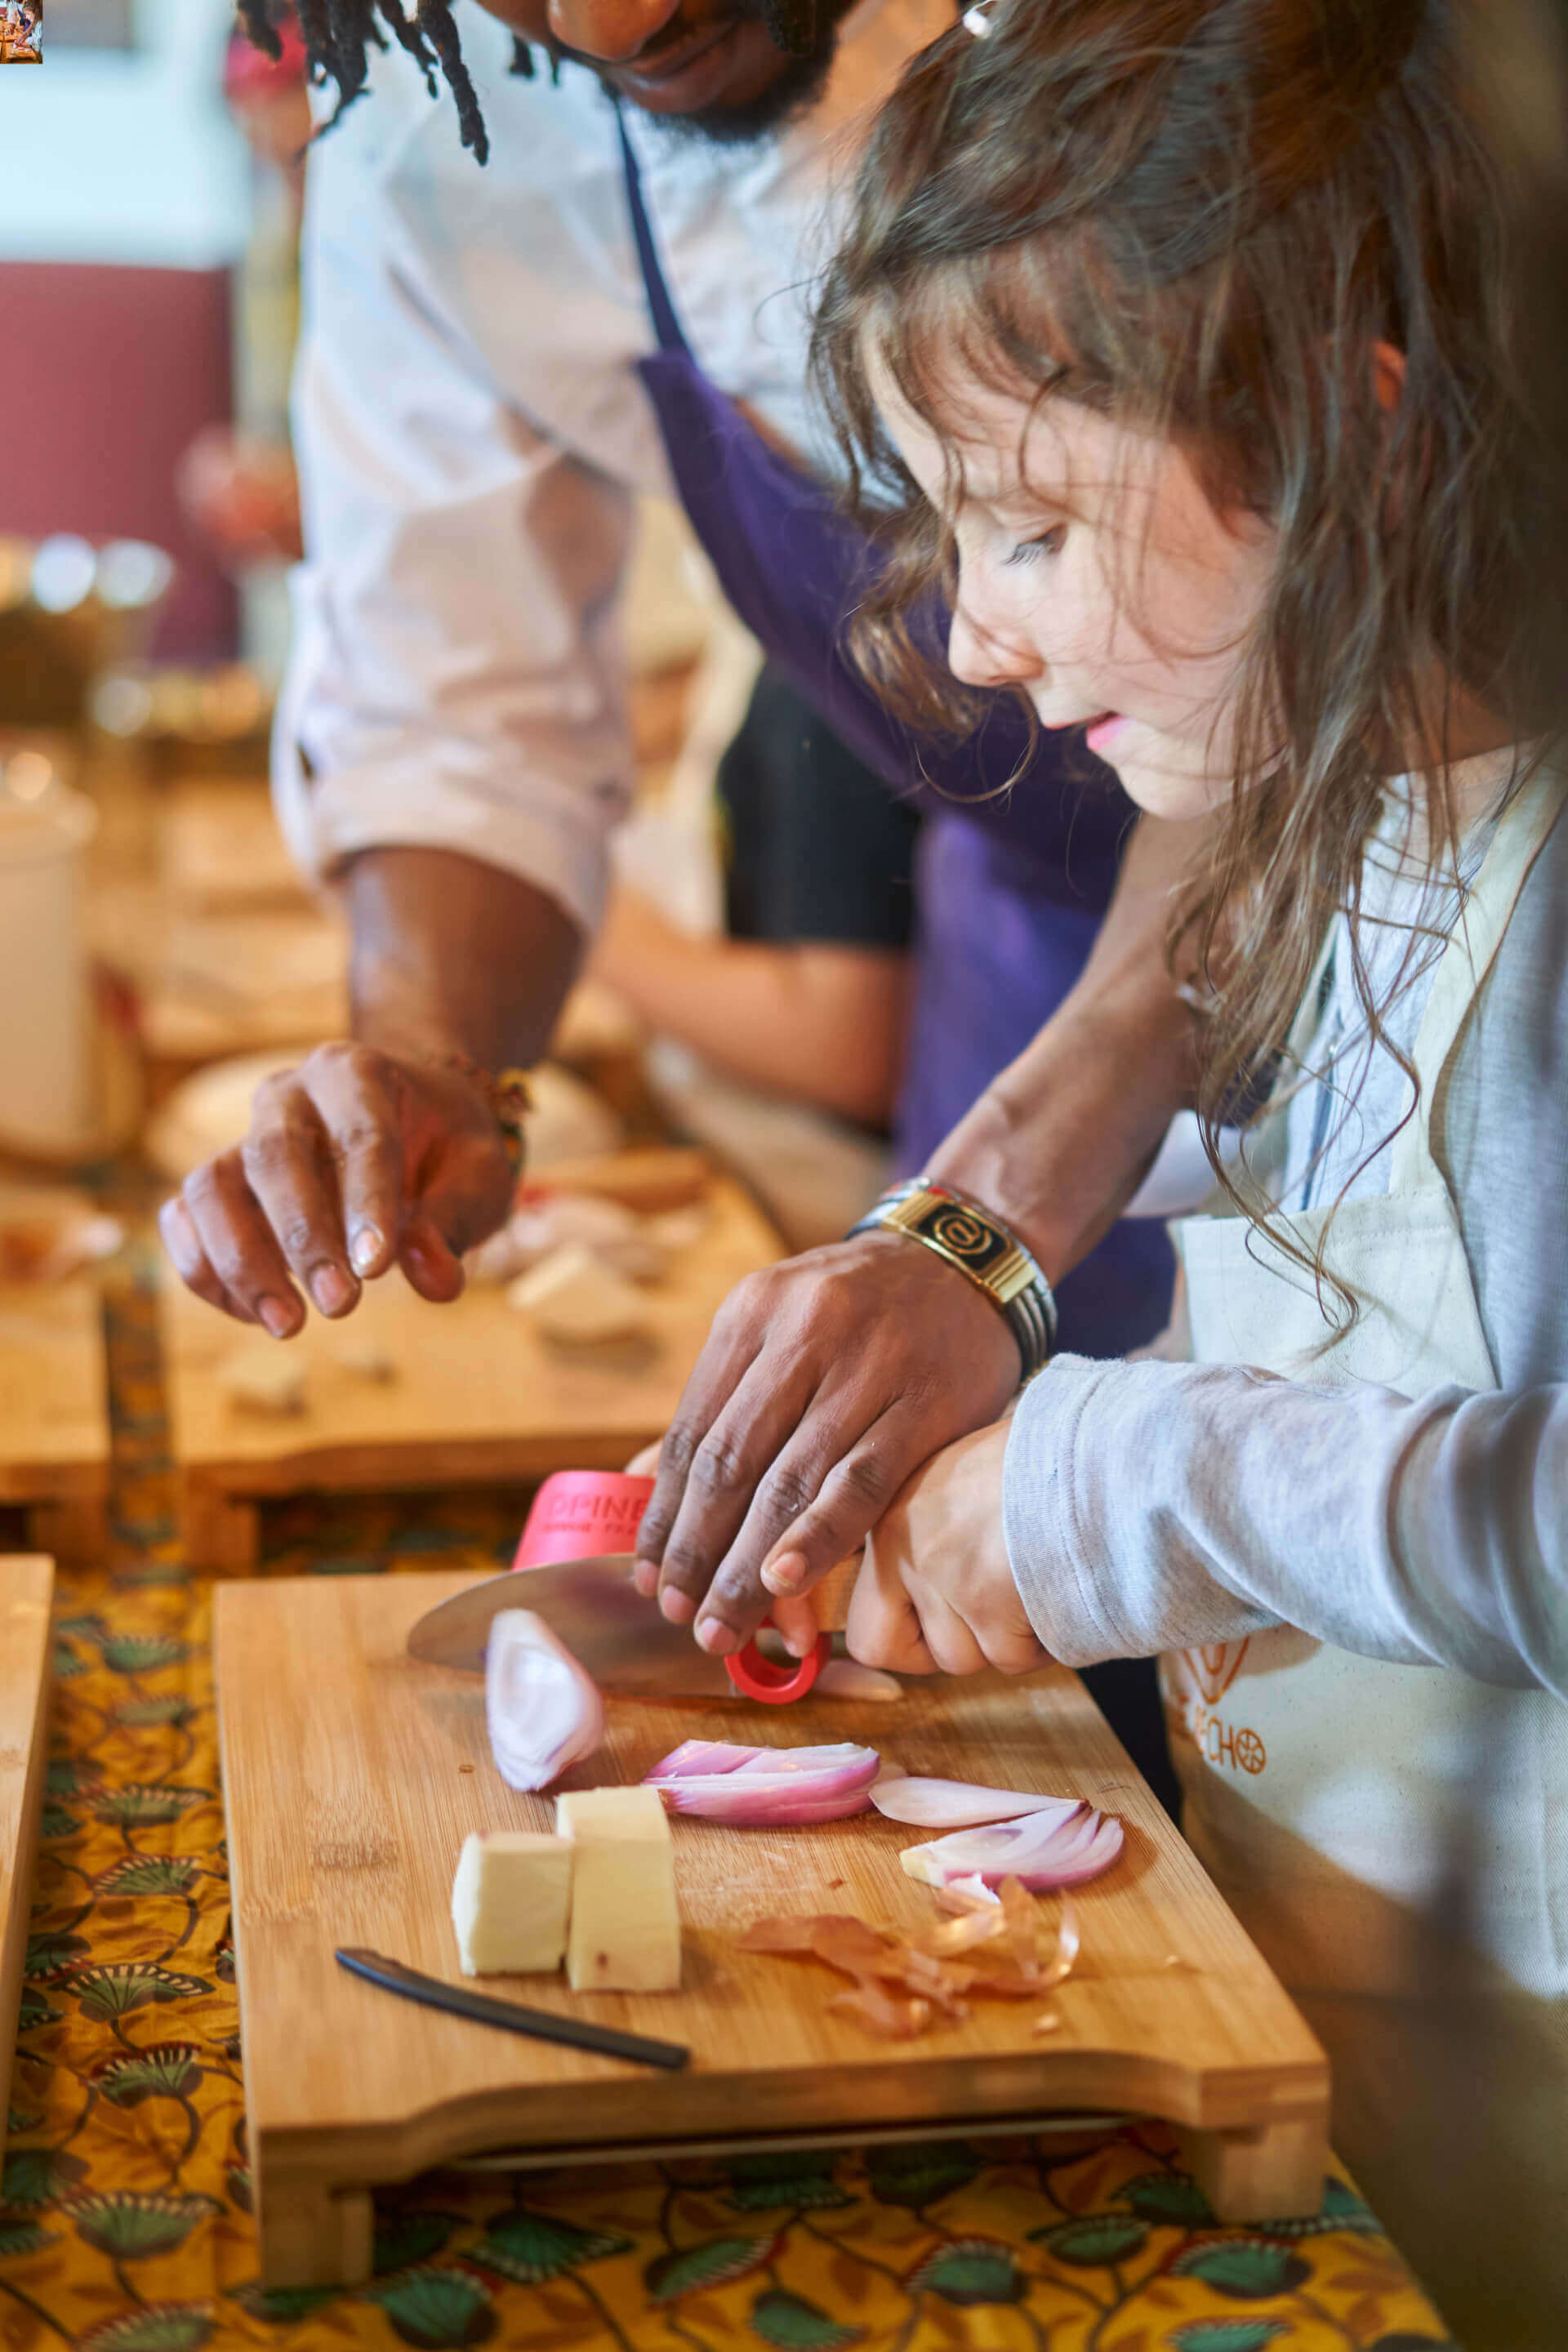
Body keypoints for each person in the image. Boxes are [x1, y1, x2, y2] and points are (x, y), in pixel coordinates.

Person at [162, 0, 1200, 1745]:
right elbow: (454, 693)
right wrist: (428, 1042)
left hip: (1373, 909)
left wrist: (981, 1225)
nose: (611, 19)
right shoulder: (436, 128)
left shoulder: (1218, 69)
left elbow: (1340, 675)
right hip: (1015, 990)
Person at [801, 0, 1566, 2339]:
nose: (974, 620)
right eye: (955, 527)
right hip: (1305, 2002)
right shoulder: (1312, 844)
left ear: (1351, 428)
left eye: (1032, 517)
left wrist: (1098, 1490)